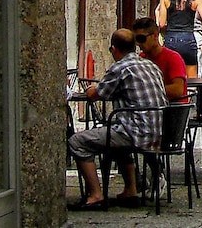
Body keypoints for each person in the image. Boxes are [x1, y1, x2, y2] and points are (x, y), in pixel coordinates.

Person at [67, 29, 167, 209]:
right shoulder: (151, 66)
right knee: (116, 131)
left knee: (77, 141)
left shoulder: (120, 67)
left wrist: (89, 89)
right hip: (161, 133)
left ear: (114, 49)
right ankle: (130, 191)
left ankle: (96, 195)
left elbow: (95, 95)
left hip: (136, 134)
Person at [132, 17, 187, 101]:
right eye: (135, 40)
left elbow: (178, 90)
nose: (138, 43)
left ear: (155, 36)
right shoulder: (141, 58)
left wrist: (149, 90)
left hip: (172, 108)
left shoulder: (173, 58)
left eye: (141, 39)